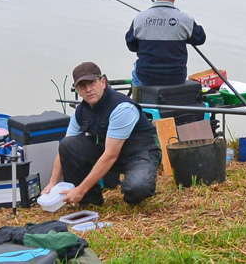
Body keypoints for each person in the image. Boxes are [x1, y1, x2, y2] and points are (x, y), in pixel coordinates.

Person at [42, 61, 161, 206]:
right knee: (68, 145)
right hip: (109, 151)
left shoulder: (122, 108)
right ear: (77, 91)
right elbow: (63, 151)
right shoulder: (80, 111)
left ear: (103, 82)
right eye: (82, 86)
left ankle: (131, 190)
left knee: (137, 188)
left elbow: (111, 155)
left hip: (139, 153)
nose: (88, 89)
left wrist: (80, 189)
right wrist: (52, 184)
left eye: (91, 83)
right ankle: (90, 200)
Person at [125, 0, 206, 87]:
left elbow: (131, 46)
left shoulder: (139, 19)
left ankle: (137, 101)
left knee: (136, 69)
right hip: (176, 77)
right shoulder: (185, 19)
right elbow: (200, 38)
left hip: (146, 76)